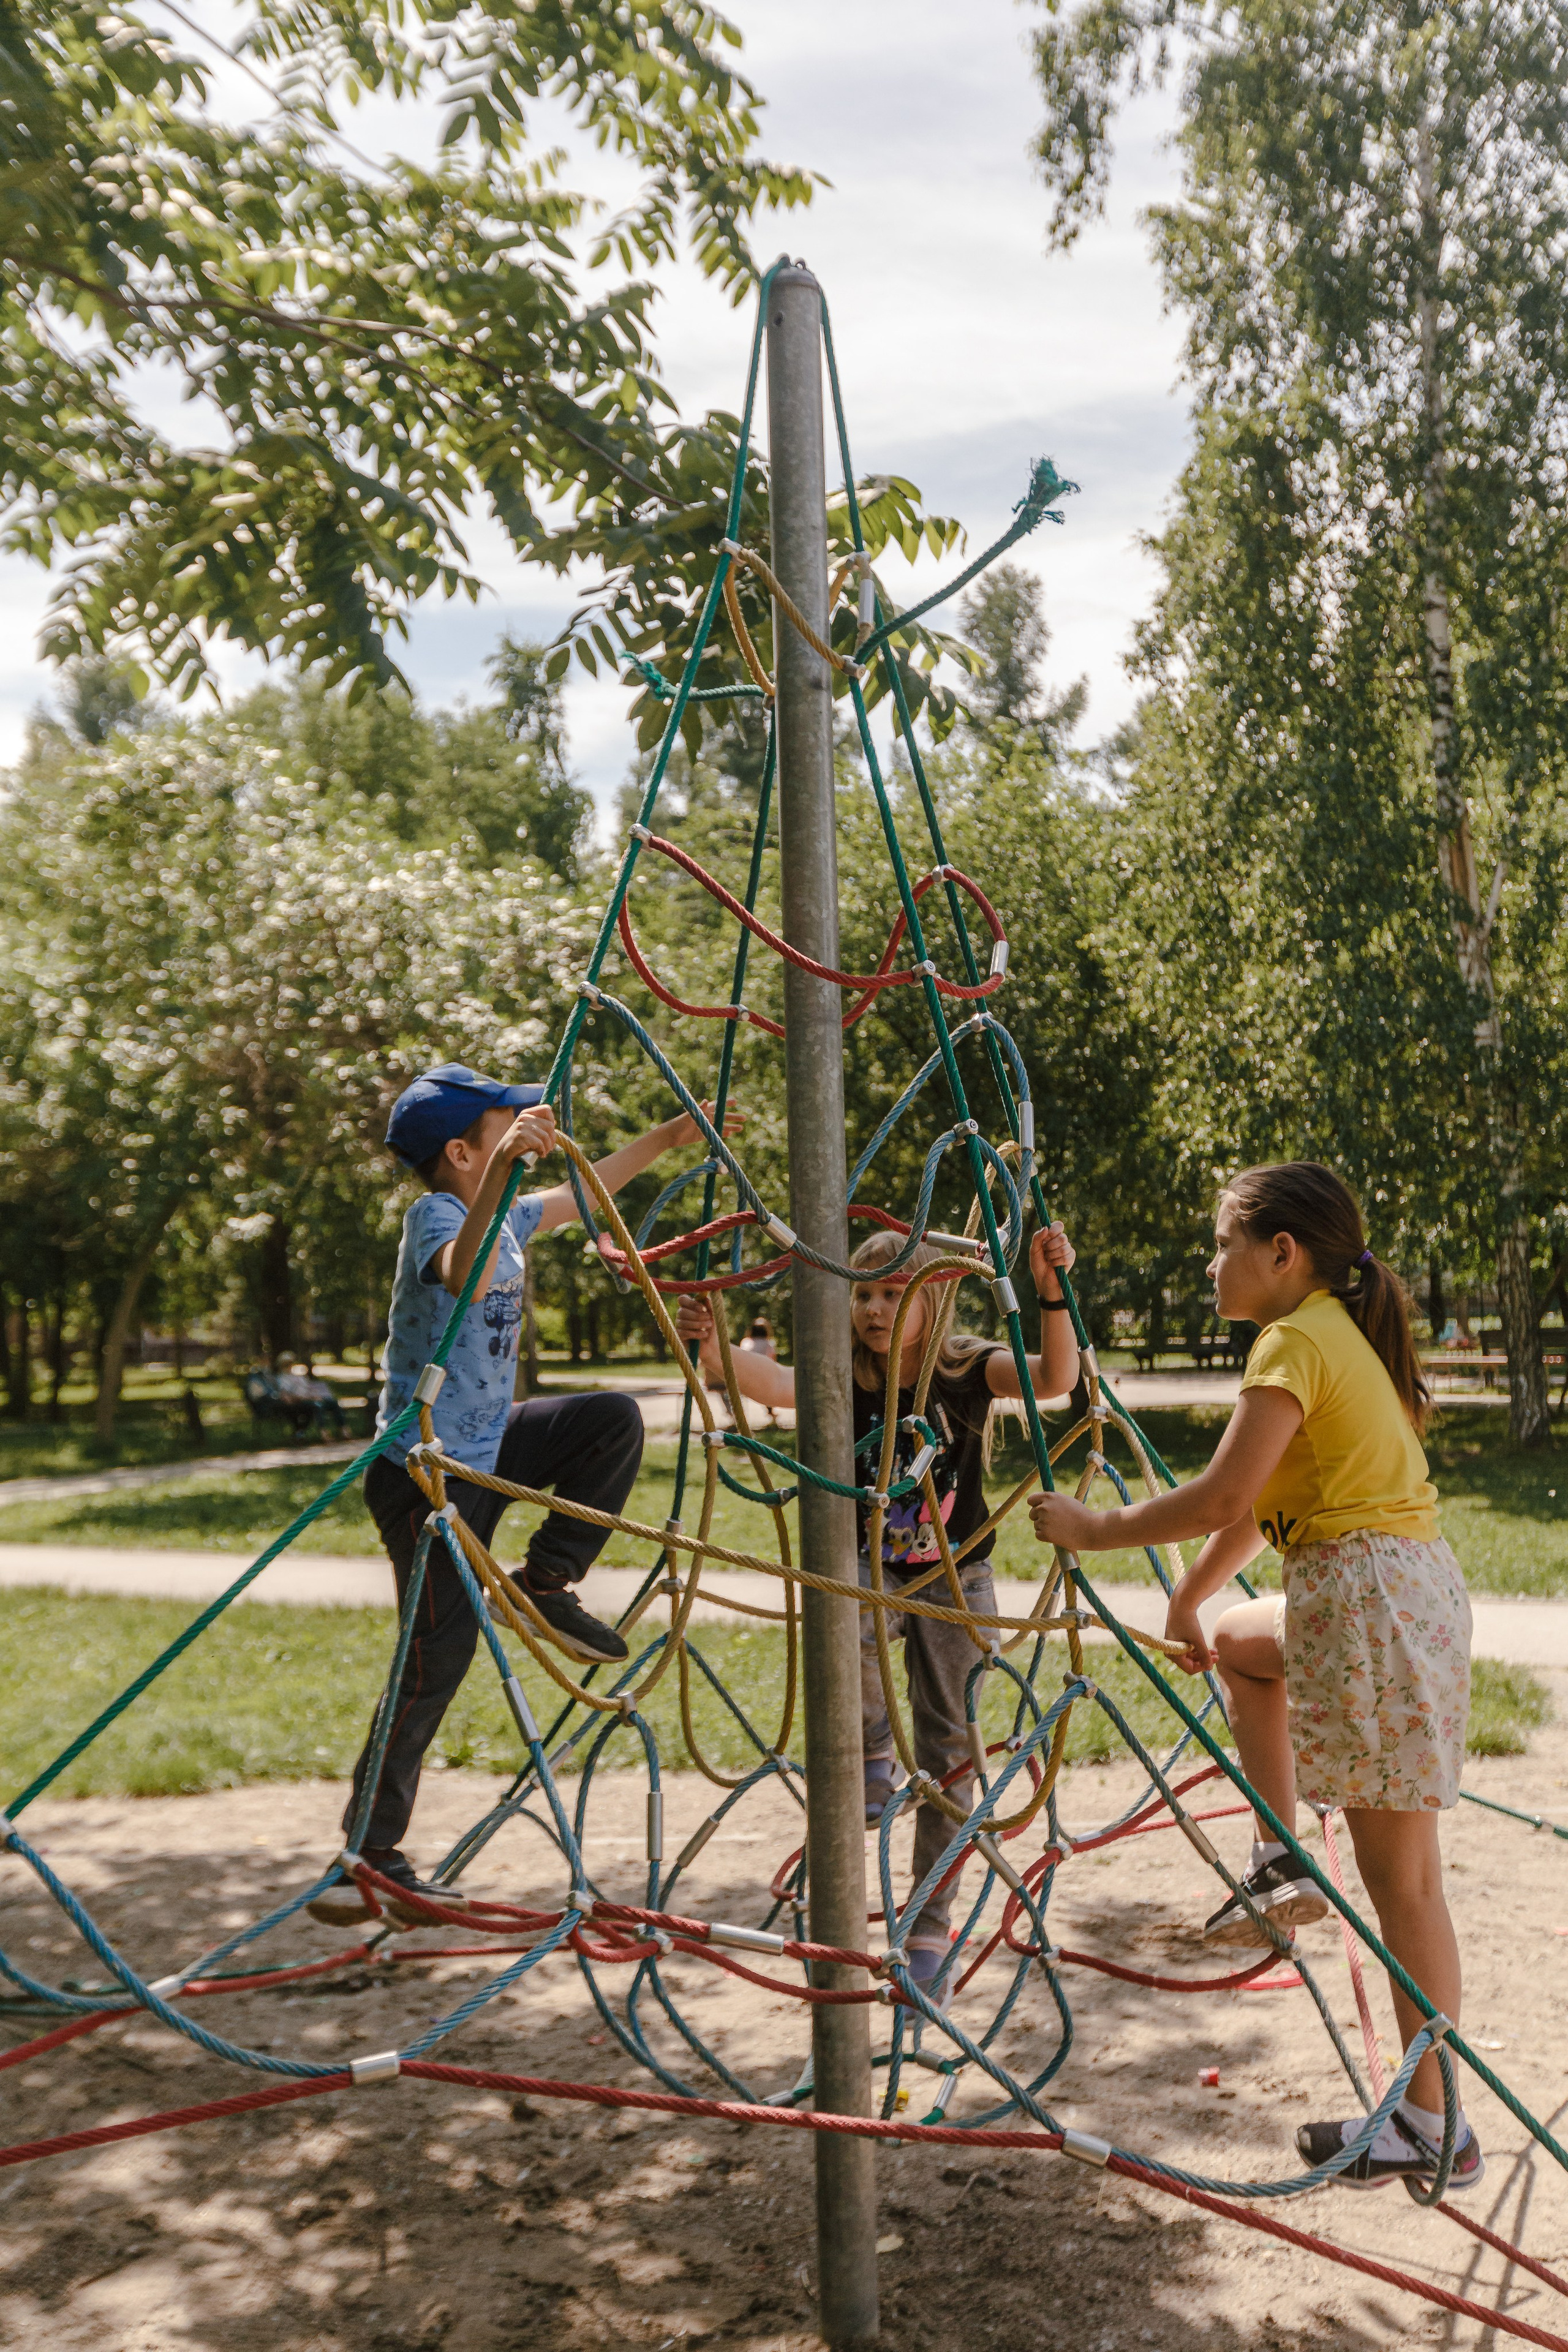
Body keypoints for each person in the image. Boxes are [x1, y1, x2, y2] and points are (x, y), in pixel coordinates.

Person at [1028, 1163, 1481, 2195]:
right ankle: (1281, 1859)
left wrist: (1097, 1530)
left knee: (1405, 1884)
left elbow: (1219, 1492)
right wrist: (1189, 1602)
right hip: (1381, 1594)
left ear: (1284, 1254)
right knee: (1239, 1641)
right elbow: (1252, 1510)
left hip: (1365, 1600)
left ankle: (1431, 2122)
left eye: (1225, 1242)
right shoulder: (1334, 1338)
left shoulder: (1294, 1340)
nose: (1211, 1261)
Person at [312, 1062, 739, 1928]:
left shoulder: (504, 1211)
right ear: (466, 1150)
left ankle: (545, 1580)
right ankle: (367, 1859)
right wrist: (506, 1171)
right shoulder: (439, 1216)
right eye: (507, 1127)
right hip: (426, 1475)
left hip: (487, 1446)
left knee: (611, 1418)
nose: (527, 1132)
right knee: (435, 1660)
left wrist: (664, 1140)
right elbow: (459, 1268)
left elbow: (581, 1198)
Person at [677, 1218, 1080, 1994]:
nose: (875, 1309)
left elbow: (1055, 1378)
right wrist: (713, 1346)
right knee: (848, 1612)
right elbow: (773, 1386)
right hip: (877, 1568)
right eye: (865, 1293)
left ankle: (929, 1932)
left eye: (896, 1294)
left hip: (957, 1577)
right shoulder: (845, 1378)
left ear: (933, 1302)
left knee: (951, 1755)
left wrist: (1050, 1290)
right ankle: (869, 1756)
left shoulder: (967, 1368)